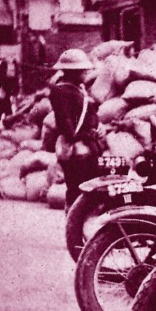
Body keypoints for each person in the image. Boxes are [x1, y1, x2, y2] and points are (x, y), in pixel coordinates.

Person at [48, 49, 103, 207]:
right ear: (72, 71)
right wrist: (85, 134)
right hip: (76, 151)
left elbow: (90, 114)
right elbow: (66, 123)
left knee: (91, 192)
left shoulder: (79, 89)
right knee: (77, 192)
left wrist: (98, 127)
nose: (86, 73)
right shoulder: (61, 91)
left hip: (88, 146)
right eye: (82, 70)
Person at [0, 59, 15, 130]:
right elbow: (6, 84)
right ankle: (7, 126)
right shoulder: (4, 73)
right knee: (8, 111)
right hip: (4, 95)